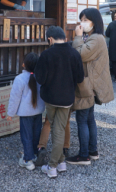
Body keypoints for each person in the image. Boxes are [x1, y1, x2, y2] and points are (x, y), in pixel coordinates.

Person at [34, 26, 84, 178]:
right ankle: (61, 162)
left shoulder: (46, 54)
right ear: (64, 37)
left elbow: (40, 78)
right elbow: (80, 78)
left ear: (50, 39)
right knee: (59, 129)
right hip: (67, 98)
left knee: (57, 131)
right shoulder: (74, 53)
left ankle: (52, 166)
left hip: (50, 98)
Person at [68, 8, 114, 165]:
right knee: (89, 119)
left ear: (94, 22)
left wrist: (78, 37)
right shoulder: (97, 37)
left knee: (82, 119)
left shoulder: (96, 39)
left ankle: (84, 155)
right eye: (82, 19)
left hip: (88, 85)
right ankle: (92, 151)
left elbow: (79, 54)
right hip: (92, 84)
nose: (82, 23)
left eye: (85, 20)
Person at [8, 52, 45, 171]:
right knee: (36, 134)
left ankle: (27, 160)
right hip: (38, 111)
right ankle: (33, 155)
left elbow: (15, 98)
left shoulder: (19, 79)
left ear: (24, 64)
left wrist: (10, 113)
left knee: (26, 136)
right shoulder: (40, 77)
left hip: (25, 113)